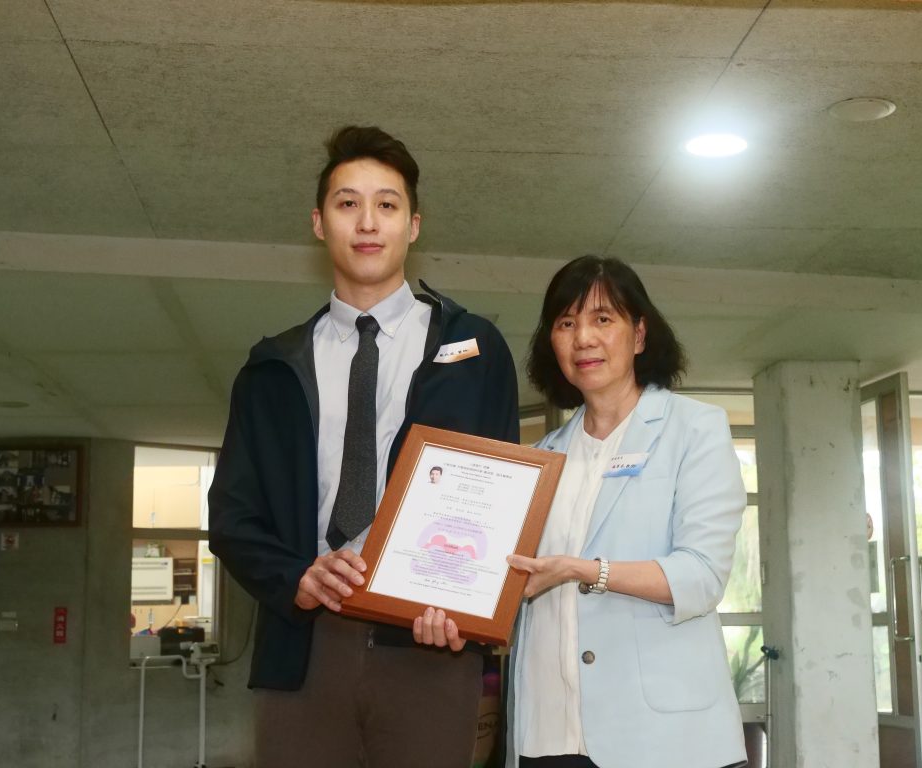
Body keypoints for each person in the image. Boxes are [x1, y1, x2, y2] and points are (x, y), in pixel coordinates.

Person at [208, 125, 519, 768]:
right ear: (319, 223)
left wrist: (465, 600)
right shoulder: (271, 370)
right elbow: (232, 518)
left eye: (387, 204)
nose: (368, 222)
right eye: (348, 203)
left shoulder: (473, 351)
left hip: (429, 648)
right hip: (303, 648)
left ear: (413, 225)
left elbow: (502, 499)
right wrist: (295, 577)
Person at [505, 256, 748, 768]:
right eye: (566, 323)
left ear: (639, 334)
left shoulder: (694, 429)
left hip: (662, 737)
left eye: (602, 319)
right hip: (549, 731)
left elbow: (702, 575)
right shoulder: (541, 457)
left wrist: (584, 570)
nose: (583, 339)